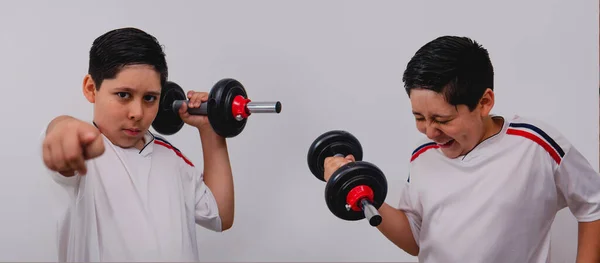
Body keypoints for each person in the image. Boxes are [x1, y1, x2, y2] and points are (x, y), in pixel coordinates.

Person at [323, 36, 600, 262]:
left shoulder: (535, 145)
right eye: (419, 118)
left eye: (442, 120)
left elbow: (593, 204)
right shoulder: (423, 155)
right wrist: (359, 189)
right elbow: (416, 240)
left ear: (484, 102)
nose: (430, 132)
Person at [40, 27, 235, 262]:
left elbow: (221, 216)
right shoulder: (83, 154)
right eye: (123, 95)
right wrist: (62, 125)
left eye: (150, 98)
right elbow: (62, 135)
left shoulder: (171, 158)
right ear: (91, 88)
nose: (137, 113)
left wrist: (210, 129)